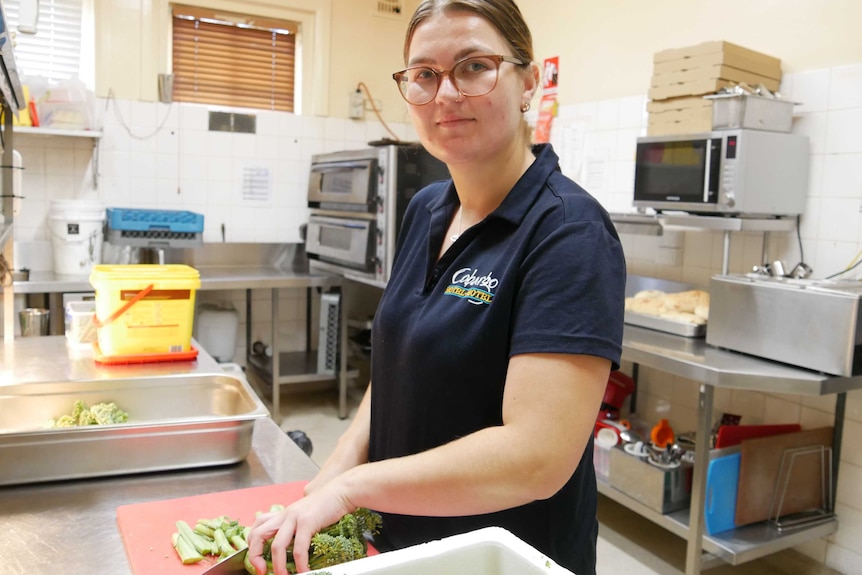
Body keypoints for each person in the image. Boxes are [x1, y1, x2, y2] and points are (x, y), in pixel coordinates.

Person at [247, 1, 626, 574]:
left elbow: (536, 457)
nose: (445, 93)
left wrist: (355, 489)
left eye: (474, 66)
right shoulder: (426, 209)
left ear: (529, 82)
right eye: (425, 74)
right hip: (400, 545)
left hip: (501, 557)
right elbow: (396, 376)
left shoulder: (568, 231)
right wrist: (326, 484)